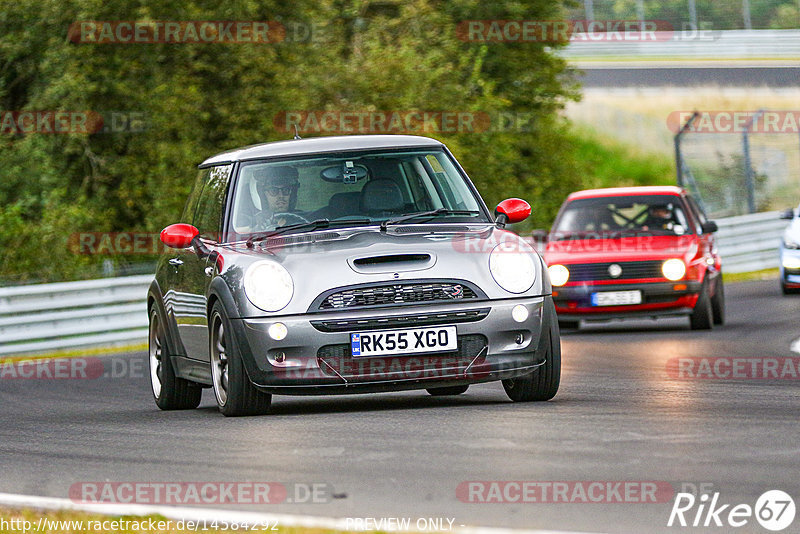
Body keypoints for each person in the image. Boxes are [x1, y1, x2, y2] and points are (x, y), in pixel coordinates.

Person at [250, 166, 305, 231]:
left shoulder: (304, 220)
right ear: (264, 195)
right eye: (273, 191)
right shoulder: (254, 223)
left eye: (285, 190)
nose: (281, 195)